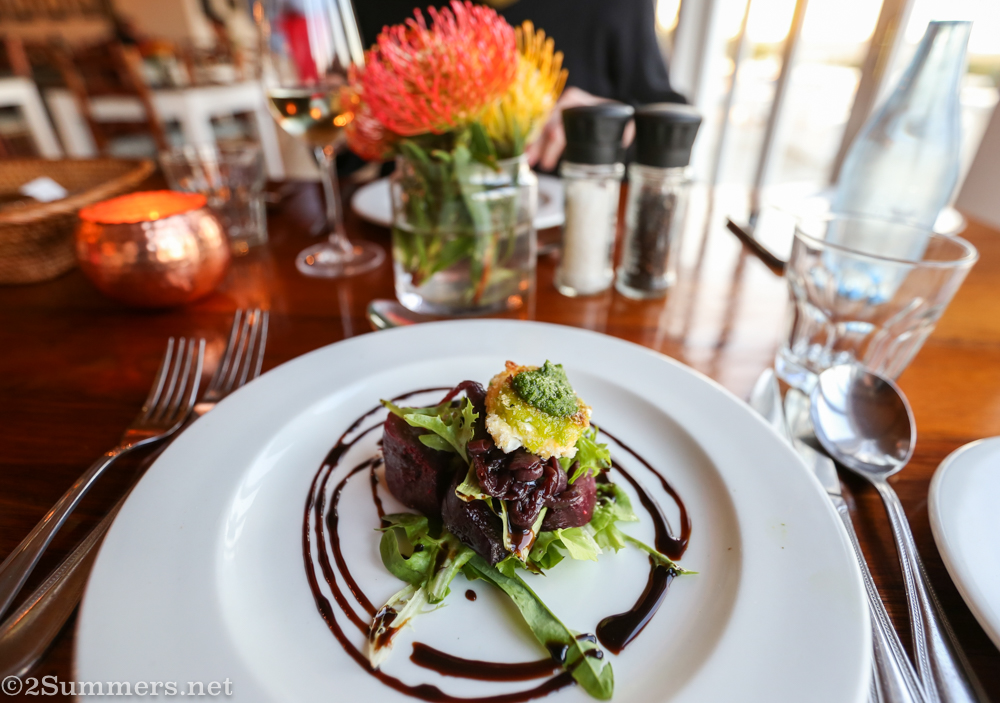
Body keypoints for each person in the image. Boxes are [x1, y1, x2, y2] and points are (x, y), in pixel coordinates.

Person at [353, 0, 686, 169]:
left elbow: (671, 120)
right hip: (419, 226)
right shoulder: (381, 9)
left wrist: (610, 124)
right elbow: (349, 157)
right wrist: (354, 125)